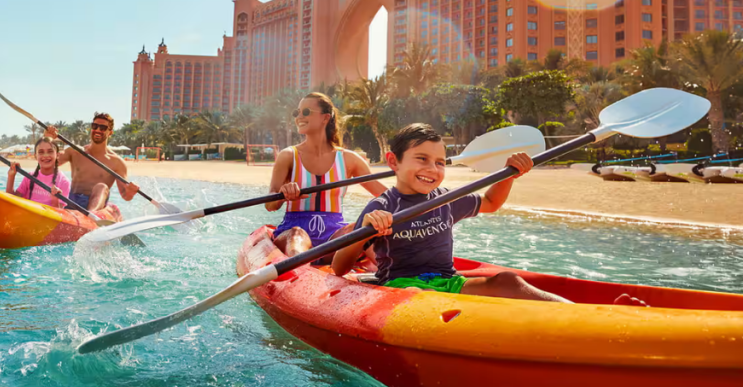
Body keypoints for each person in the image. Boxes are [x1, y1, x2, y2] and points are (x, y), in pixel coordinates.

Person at [331, 123, 646, 306]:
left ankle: (588, 316)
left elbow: (491, 203)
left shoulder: (447, 199)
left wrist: (508, 175)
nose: (432, 169)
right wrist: (368, 231)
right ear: (393, 161)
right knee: (417, 295)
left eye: (440, 162)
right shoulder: (381, 208)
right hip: (402, 287)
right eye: (421, 159)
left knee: (509, 281)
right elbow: (339, 267)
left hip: (448, 282)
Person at [266, 92, 389, 257]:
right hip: (293, 231)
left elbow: (385, 195)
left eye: (306, 112)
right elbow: (270, 205)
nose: (299, 117)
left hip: (334, 235)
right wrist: (283, 195)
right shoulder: (288, 156)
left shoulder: (349, 159)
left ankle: (391, 275)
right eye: (297, 113)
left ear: (325, 118)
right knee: (296, 235)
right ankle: (299, 270)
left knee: (360, 229)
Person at [45, 112, 139, 212]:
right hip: (71, 200)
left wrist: (131, 191)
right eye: (95, 126)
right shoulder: (75, 152)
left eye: (102, 128)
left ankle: (91, 215)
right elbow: (46, 163)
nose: (98, 130)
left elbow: (126, 196)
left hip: (95, 205)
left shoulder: (116, 162)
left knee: (102, 187)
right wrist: (47, 138)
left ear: (110, 132)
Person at [6, 137, 71, 209]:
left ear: (57, 155)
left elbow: (60, 214)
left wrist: (55, 200)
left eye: (50, 151)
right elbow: (11, 201)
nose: (46, 155)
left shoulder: (64, 181)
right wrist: (11, 177)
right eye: (41, 152)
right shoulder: (30, 177)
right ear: (35, 156)